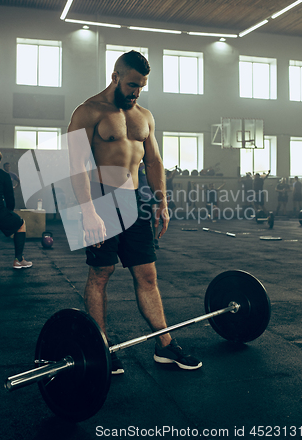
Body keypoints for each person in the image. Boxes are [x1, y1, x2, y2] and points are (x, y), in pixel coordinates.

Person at [68, 50, 201, 374]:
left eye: (141, 86)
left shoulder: (144, 115)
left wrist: (161, 202)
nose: (136, 92)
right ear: (115, 77)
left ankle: (165, 346)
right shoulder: (89, 111)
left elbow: (153, 161)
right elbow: (74, 165)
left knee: (147, 275)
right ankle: (101, 347)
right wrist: (88, 213)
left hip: (135, 201)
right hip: (100, 199)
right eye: (131, 84)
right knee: (101, 274)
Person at [138, 161, 160, 248]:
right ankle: (142, 239)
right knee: (142, 218)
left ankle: (155, 239)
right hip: (141, 195)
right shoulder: (138, 166)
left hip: (152, 195)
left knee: (155, 217)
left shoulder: (152, 165)